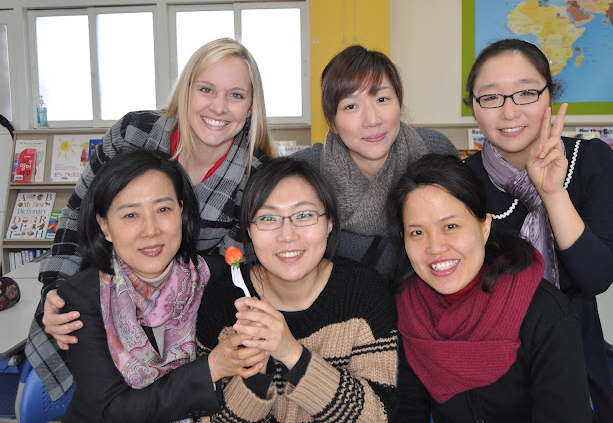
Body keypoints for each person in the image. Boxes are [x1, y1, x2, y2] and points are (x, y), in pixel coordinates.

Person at [26, 37, 276, 399]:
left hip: (182, 316)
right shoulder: (133, 133)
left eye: (236, 95)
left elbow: (231, 271)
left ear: (251, 107)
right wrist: (55, 290)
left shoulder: (255, 177)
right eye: (206, 89)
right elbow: (78, 213)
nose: (219, 107)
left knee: (159, 400)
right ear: (186, 90)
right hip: (102, 297)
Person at [463, 38, 613, 423]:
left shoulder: (591, 160)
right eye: (491, 97)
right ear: (475, 107)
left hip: (576, 341)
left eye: (526, 93)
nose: (509, 111)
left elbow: (597, 277)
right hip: (492, 352)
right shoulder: (461, 180)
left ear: (550, 96)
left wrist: (552, 193)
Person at [58, 150, 269, 422]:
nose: (151, 230)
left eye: (163, 209)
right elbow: (111, 410)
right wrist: (211, 369)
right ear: (105, 226)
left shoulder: (218, 277)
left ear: (181, 210)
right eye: (131, 215)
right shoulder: (81, 298)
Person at [387, 154, 592, 422]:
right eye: (417, 232)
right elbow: (407, 413)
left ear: (484, 227)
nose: (435, 247)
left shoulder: (546, 315)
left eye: (450, 226)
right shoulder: (408, 310)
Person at [195, 157, 399, 422]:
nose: (287, 235)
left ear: (329, 223)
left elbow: (378, 416)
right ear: (248, 230)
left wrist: (292, 353)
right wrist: (256, 374)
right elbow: (204, 417)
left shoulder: (365, 293)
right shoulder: (223, 300)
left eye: (304, 215)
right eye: (268, 218)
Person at [293, 45, 459, 278]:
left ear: (399, 103)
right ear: (332, 122)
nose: (372, 120)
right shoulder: (304, 172)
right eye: (351, 106)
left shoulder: (435, 151)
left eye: (382, 99)